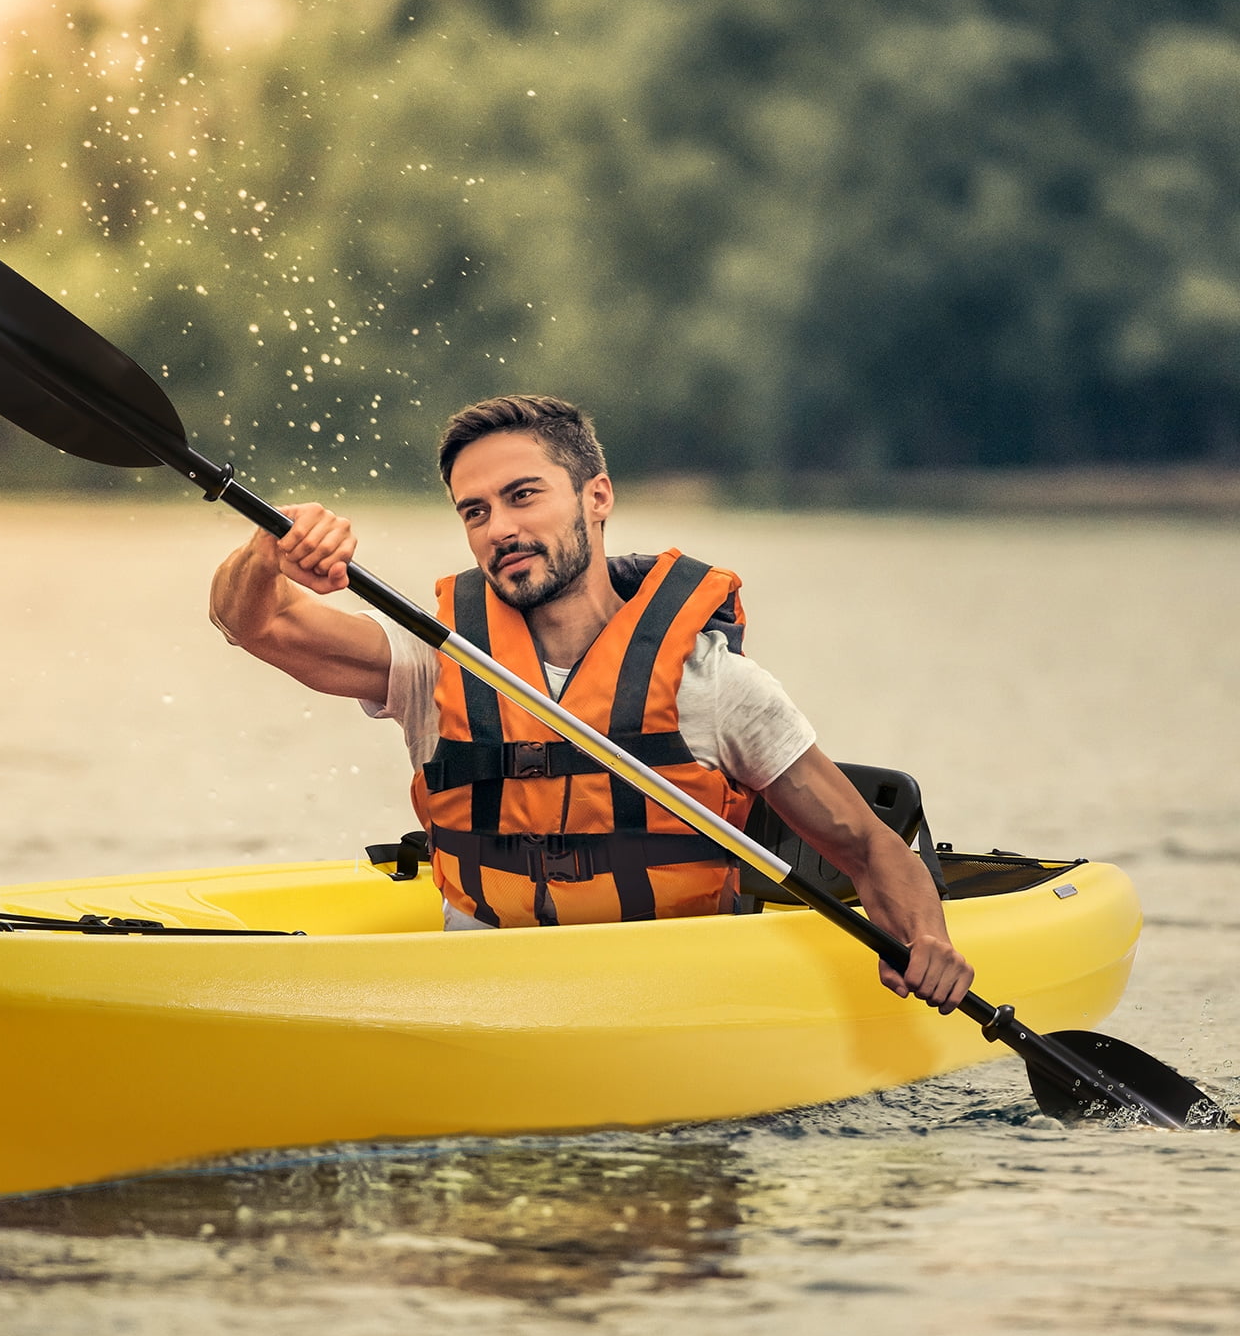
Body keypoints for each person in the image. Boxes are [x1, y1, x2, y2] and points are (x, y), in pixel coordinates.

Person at [210, 395, 974, 1013]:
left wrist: (927, 938)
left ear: (596, 496)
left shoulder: (716, 689)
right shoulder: (431, 661)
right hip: (481, 1004)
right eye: (474, 512)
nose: (499, 528)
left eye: (522, 496)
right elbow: (254, 622)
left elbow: (871, 850)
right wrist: (265, 554)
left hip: (669, 1009)